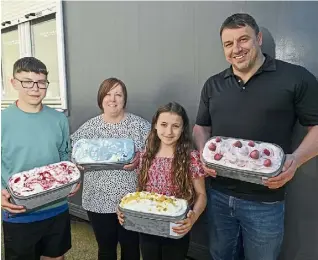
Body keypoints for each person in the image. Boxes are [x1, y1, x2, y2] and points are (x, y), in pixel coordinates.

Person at [193, 13, 318, 260]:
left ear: (258, 38)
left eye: (243, 40)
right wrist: (203, 153)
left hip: (265, 200)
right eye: (228, 44)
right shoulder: (213, 84)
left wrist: (296, 160)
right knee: (220, 256)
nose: (236, 49)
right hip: (218, 194)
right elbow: (201, 127)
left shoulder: (295, 78)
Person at [1, 57, 80, 260]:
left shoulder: (59, 119)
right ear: (14, 83)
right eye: (27, 81)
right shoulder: (3, 121)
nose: (35, 88)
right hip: (19, 211)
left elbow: (64, 155)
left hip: (57, 207)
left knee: (56, 257)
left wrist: (73, 178)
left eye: (41, 82)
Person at [70, 77, 151, 260]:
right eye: (108, 94)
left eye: (118, 94)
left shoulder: (140, 126)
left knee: (131, 248)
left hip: (130, 199)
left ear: (125, 99)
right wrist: (77, 162)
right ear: (101, 98)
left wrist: (140, 159)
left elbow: (155, 155)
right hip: (97, 199)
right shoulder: (89, 127)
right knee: (106, 249)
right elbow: (73, 153)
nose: (112, 99)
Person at [118, 102, 207, 260]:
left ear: (183, 128)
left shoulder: (190, 157)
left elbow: (201, 194)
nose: (169, 131)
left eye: (175, 126)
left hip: (176, 227)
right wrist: (125, 209)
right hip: (147, 226)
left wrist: (193, 217)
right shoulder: (146, 155)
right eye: (164, 124)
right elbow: (139, 194)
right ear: (155, 126)